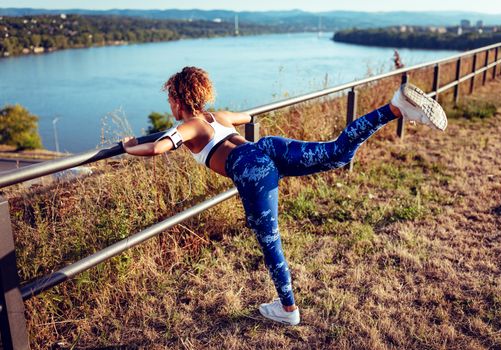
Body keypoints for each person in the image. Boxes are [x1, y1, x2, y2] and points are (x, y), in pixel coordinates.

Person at [122, 66, 447, 326]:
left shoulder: (189, 127)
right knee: (338, 153)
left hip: (252, 170)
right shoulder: (216, 116)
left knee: (270, 241)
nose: (170, 107)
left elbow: (156, 148)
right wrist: (228, 121)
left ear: (178, 100)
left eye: (170, 101)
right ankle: (394, 108)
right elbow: (247, 118)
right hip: (267, 148)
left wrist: (127, 146)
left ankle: (288, 307)